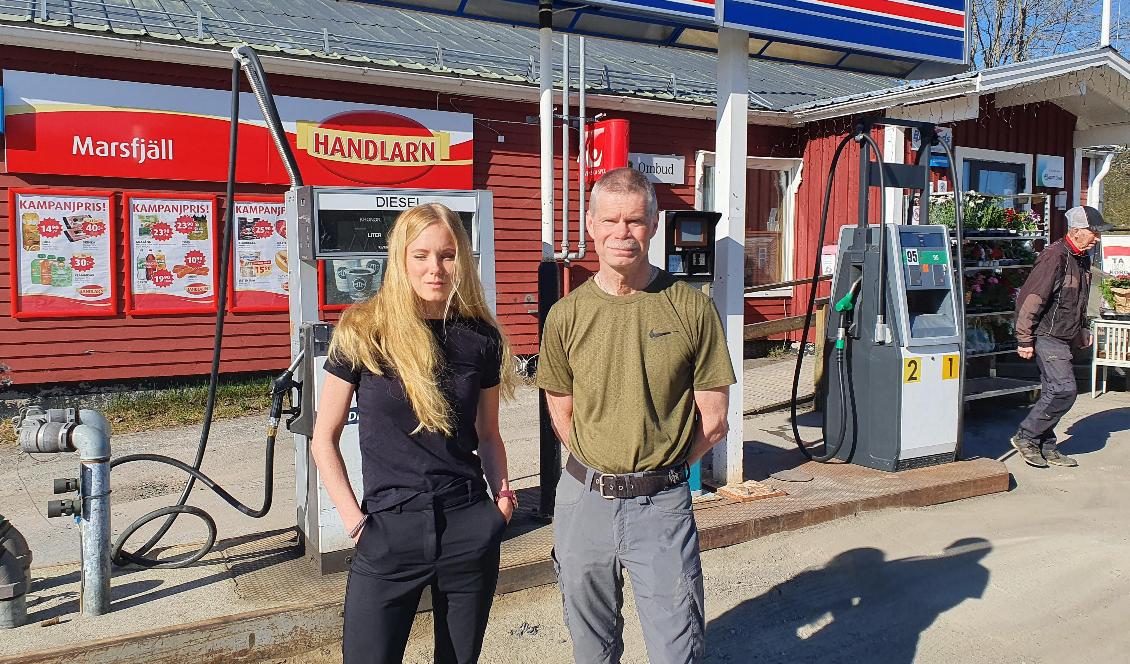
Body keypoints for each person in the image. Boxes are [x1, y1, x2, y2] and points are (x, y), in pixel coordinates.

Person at [536, 167, 736, 663]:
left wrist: (664, 469)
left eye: (634, 221)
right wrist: (596, 457)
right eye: (610, 221)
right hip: (584, 502)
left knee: (677, 647)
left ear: (653, 225)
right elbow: (560, 407)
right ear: (590, 226)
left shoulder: (690, 309)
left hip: (661, 506)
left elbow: (714, 418)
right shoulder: (566, 315)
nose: (621, 233)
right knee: (591, 646)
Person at [311, 203, 518, 664]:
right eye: (421, 255)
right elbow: (323, 438)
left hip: (467, 526)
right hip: (388, 531)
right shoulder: (364, 330)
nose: (435, 268)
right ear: (400, 258)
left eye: (446, 255)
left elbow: (488, 433)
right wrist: (356, 524)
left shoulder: (479, 337)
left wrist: (500, 502)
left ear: (461, 258)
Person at [1010, 205, 1112, 468]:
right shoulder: (1054, 257)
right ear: (1077, 232)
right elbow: (1031, 299)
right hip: (1047, 334)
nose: (1097, 238)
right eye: (1094, 232)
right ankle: (1026, 436)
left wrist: (1083, 327)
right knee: (1064, 390)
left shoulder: (1081, 259)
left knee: (1053, 392)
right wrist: (1024, 338)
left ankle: (1046, 445)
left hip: (1065, 334)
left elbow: (1079, 299)